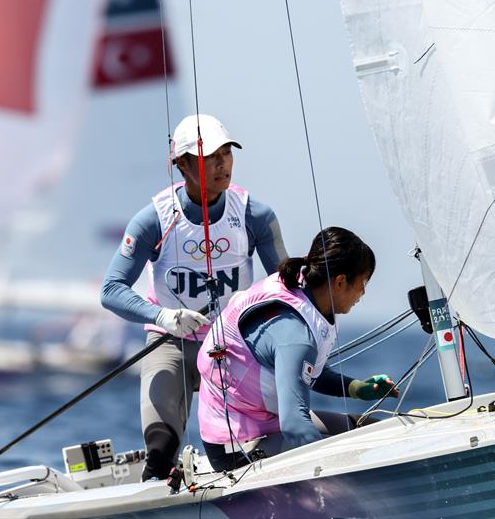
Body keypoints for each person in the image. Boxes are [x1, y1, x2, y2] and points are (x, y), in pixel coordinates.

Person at [100, 113, 288, 480]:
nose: (222, 164)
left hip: (233, 347)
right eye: (209, 157)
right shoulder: (152, 219)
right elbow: (111, 291)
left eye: (227, 154)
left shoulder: (256, 215)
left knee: (267, 444)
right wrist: (163, 318)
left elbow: (286, 288)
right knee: (159, 452)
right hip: (172, 343)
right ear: (182, 165)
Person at [197, 227, 398, 472]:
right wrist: (335, 478)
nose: (363, 293)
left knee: (373, 431)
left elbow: (305, 371)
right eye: (362, 283)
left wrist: (355, 388)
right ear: (340, 281)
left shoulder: (302, 287)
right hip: (238, 446)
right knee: (361, 454)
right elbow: (294, 425)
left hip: (264, 424)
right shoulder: (295, 334)